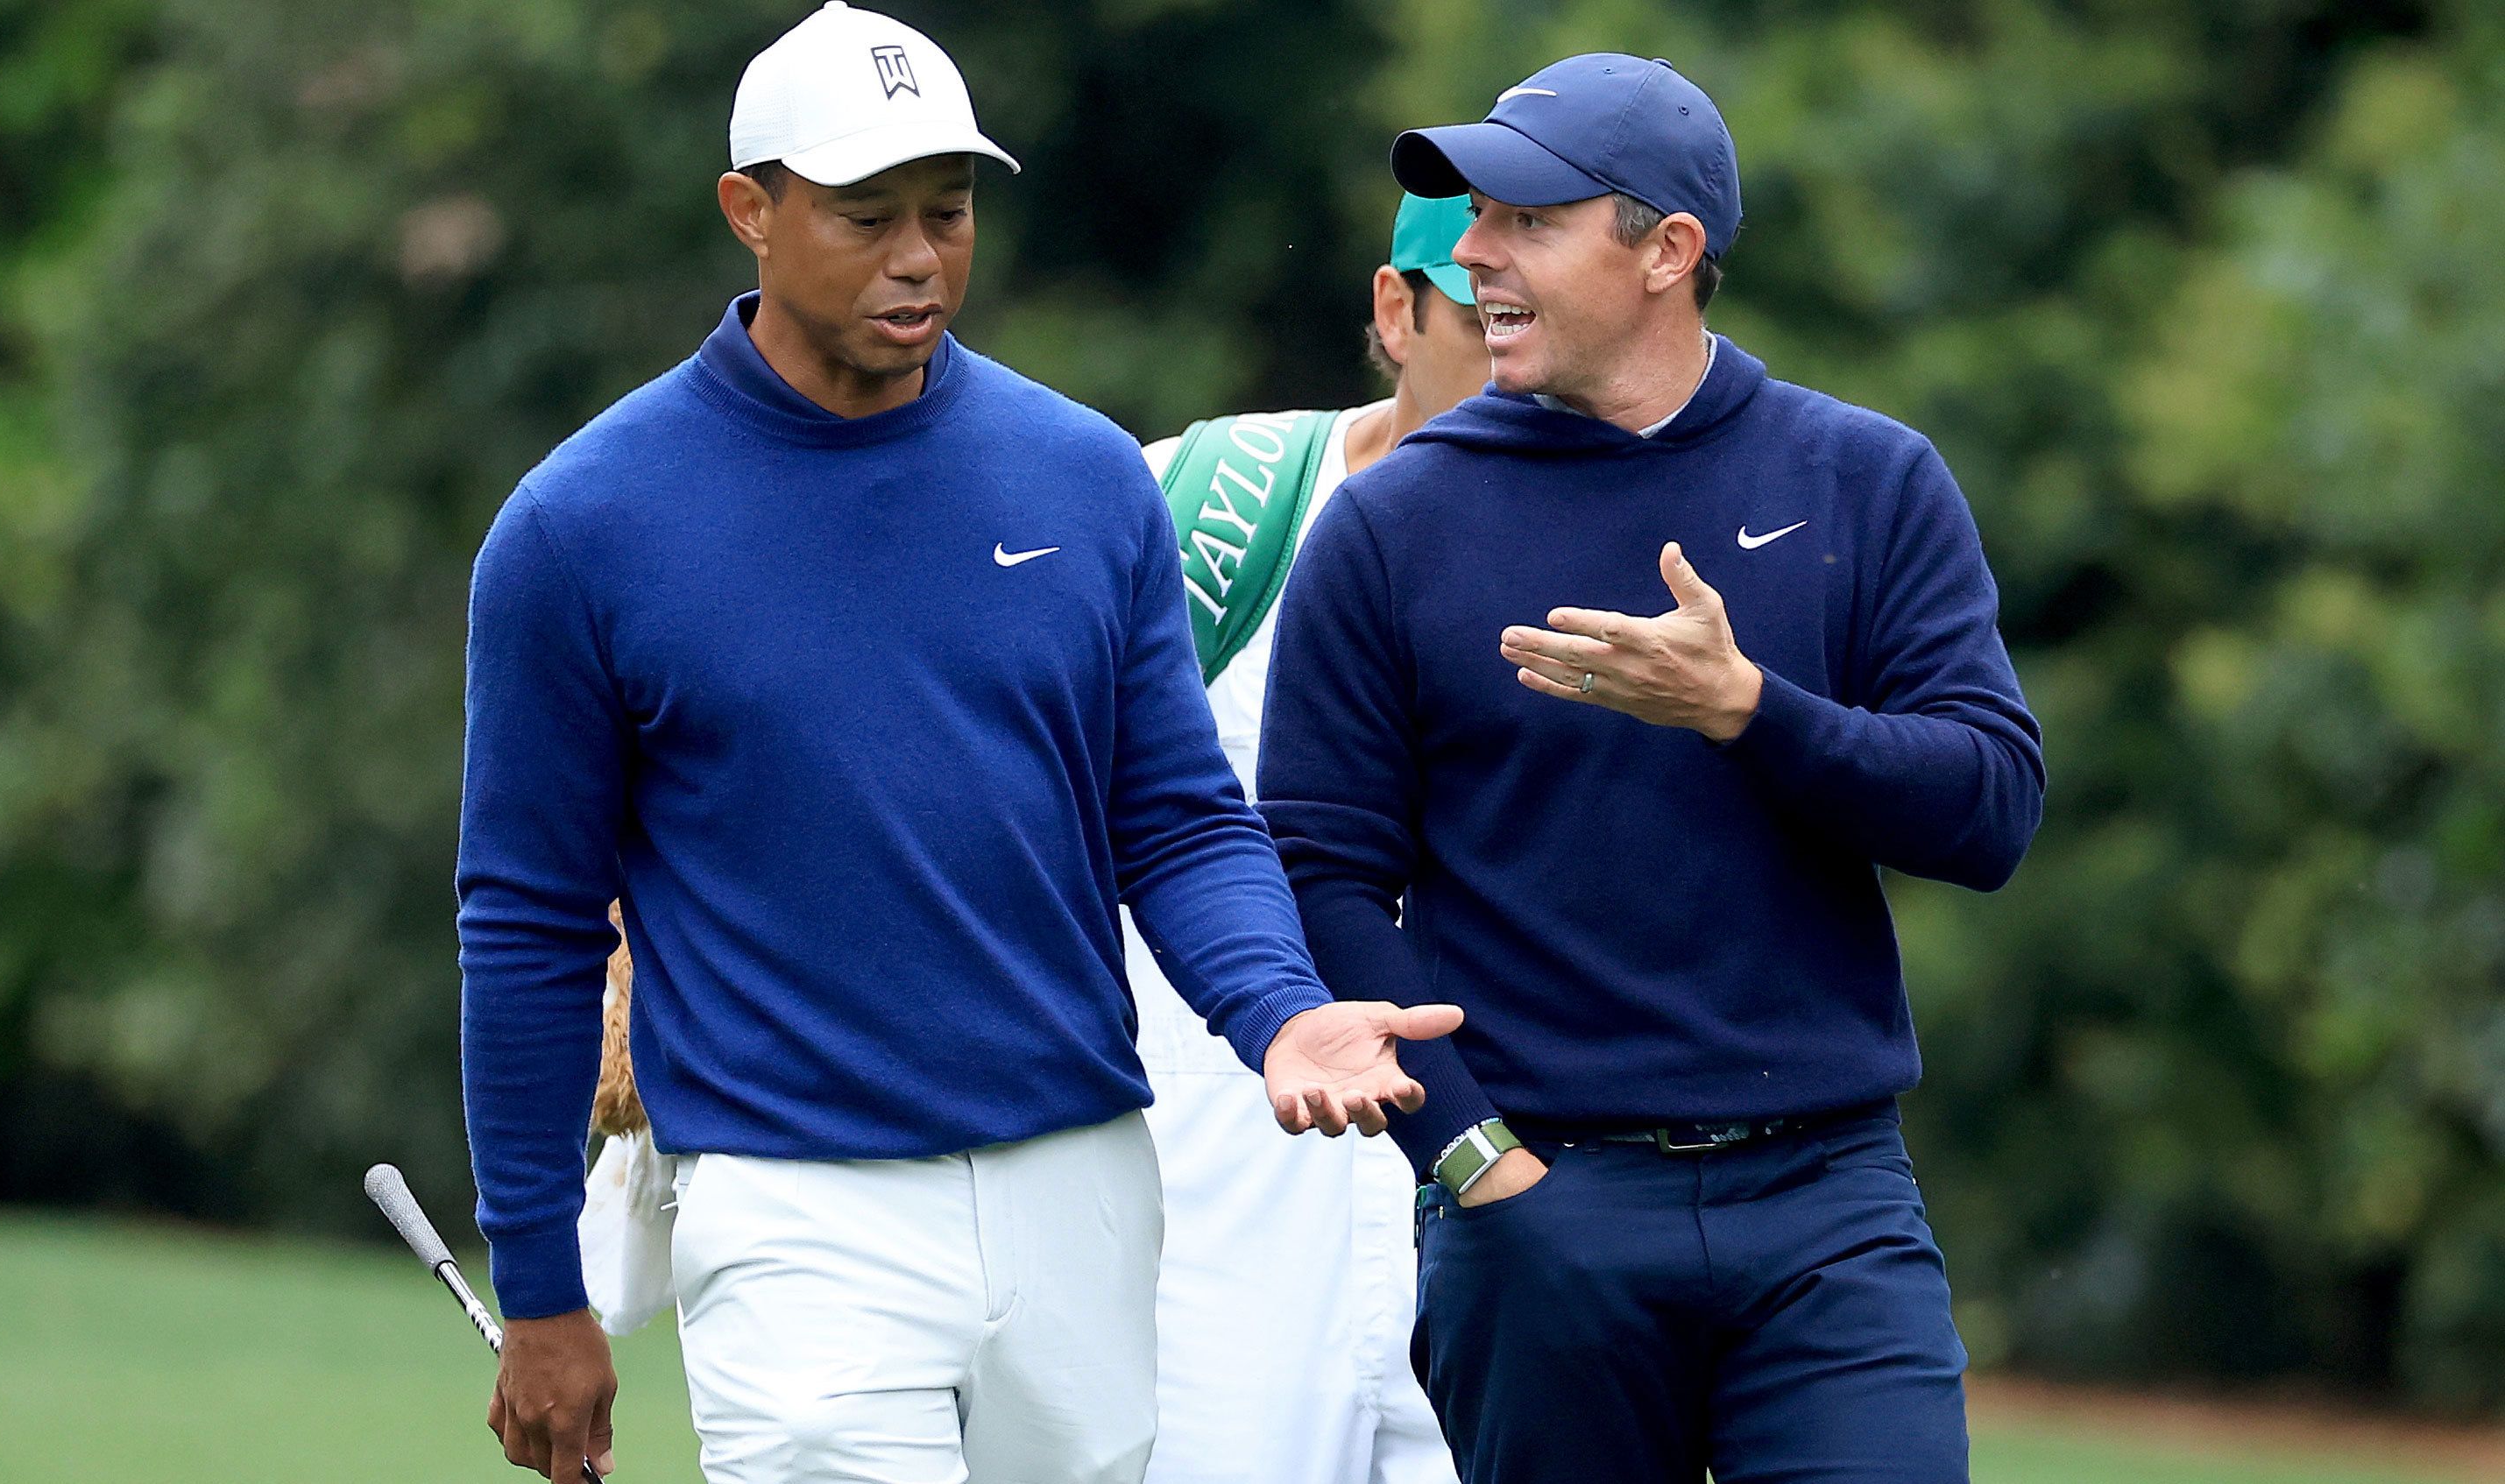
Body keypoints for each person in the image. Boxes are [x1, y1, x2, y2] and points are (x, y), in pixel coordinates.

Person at [456, 6, 1458, 1482]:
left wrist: (1281, 1011)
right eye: (867, 218)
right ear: (751, 211)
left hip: (1086, 1189)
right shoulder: (581, 526)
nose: (919, 256)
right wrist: (539, 1282)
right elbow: (527, 923)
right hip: (799, 1209)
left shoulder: (1085, 476)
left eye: (950, 210)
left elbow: (1175, 818)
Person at [1257, 53, 2046, 1484]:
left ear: (1667, 251)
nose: (1474, 255)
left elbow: (1989, 806)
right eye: (1472, 220)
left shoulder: (1863, 480)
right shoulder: (1387, 529)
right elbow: (1318, 869)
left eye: (1526, 222)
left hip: (1830, 1206)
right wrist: (1472, 1159)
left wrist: (1749, 709)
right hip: (1541, 1212)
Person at [1128, 193, 1487, 1484]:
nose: (1524, 360)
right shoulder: (1200, 500)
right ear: (1398, 310)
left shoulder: (1627, 542)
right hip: (1222, 1198)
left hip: (1494, 1173)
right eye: (1485, 318)